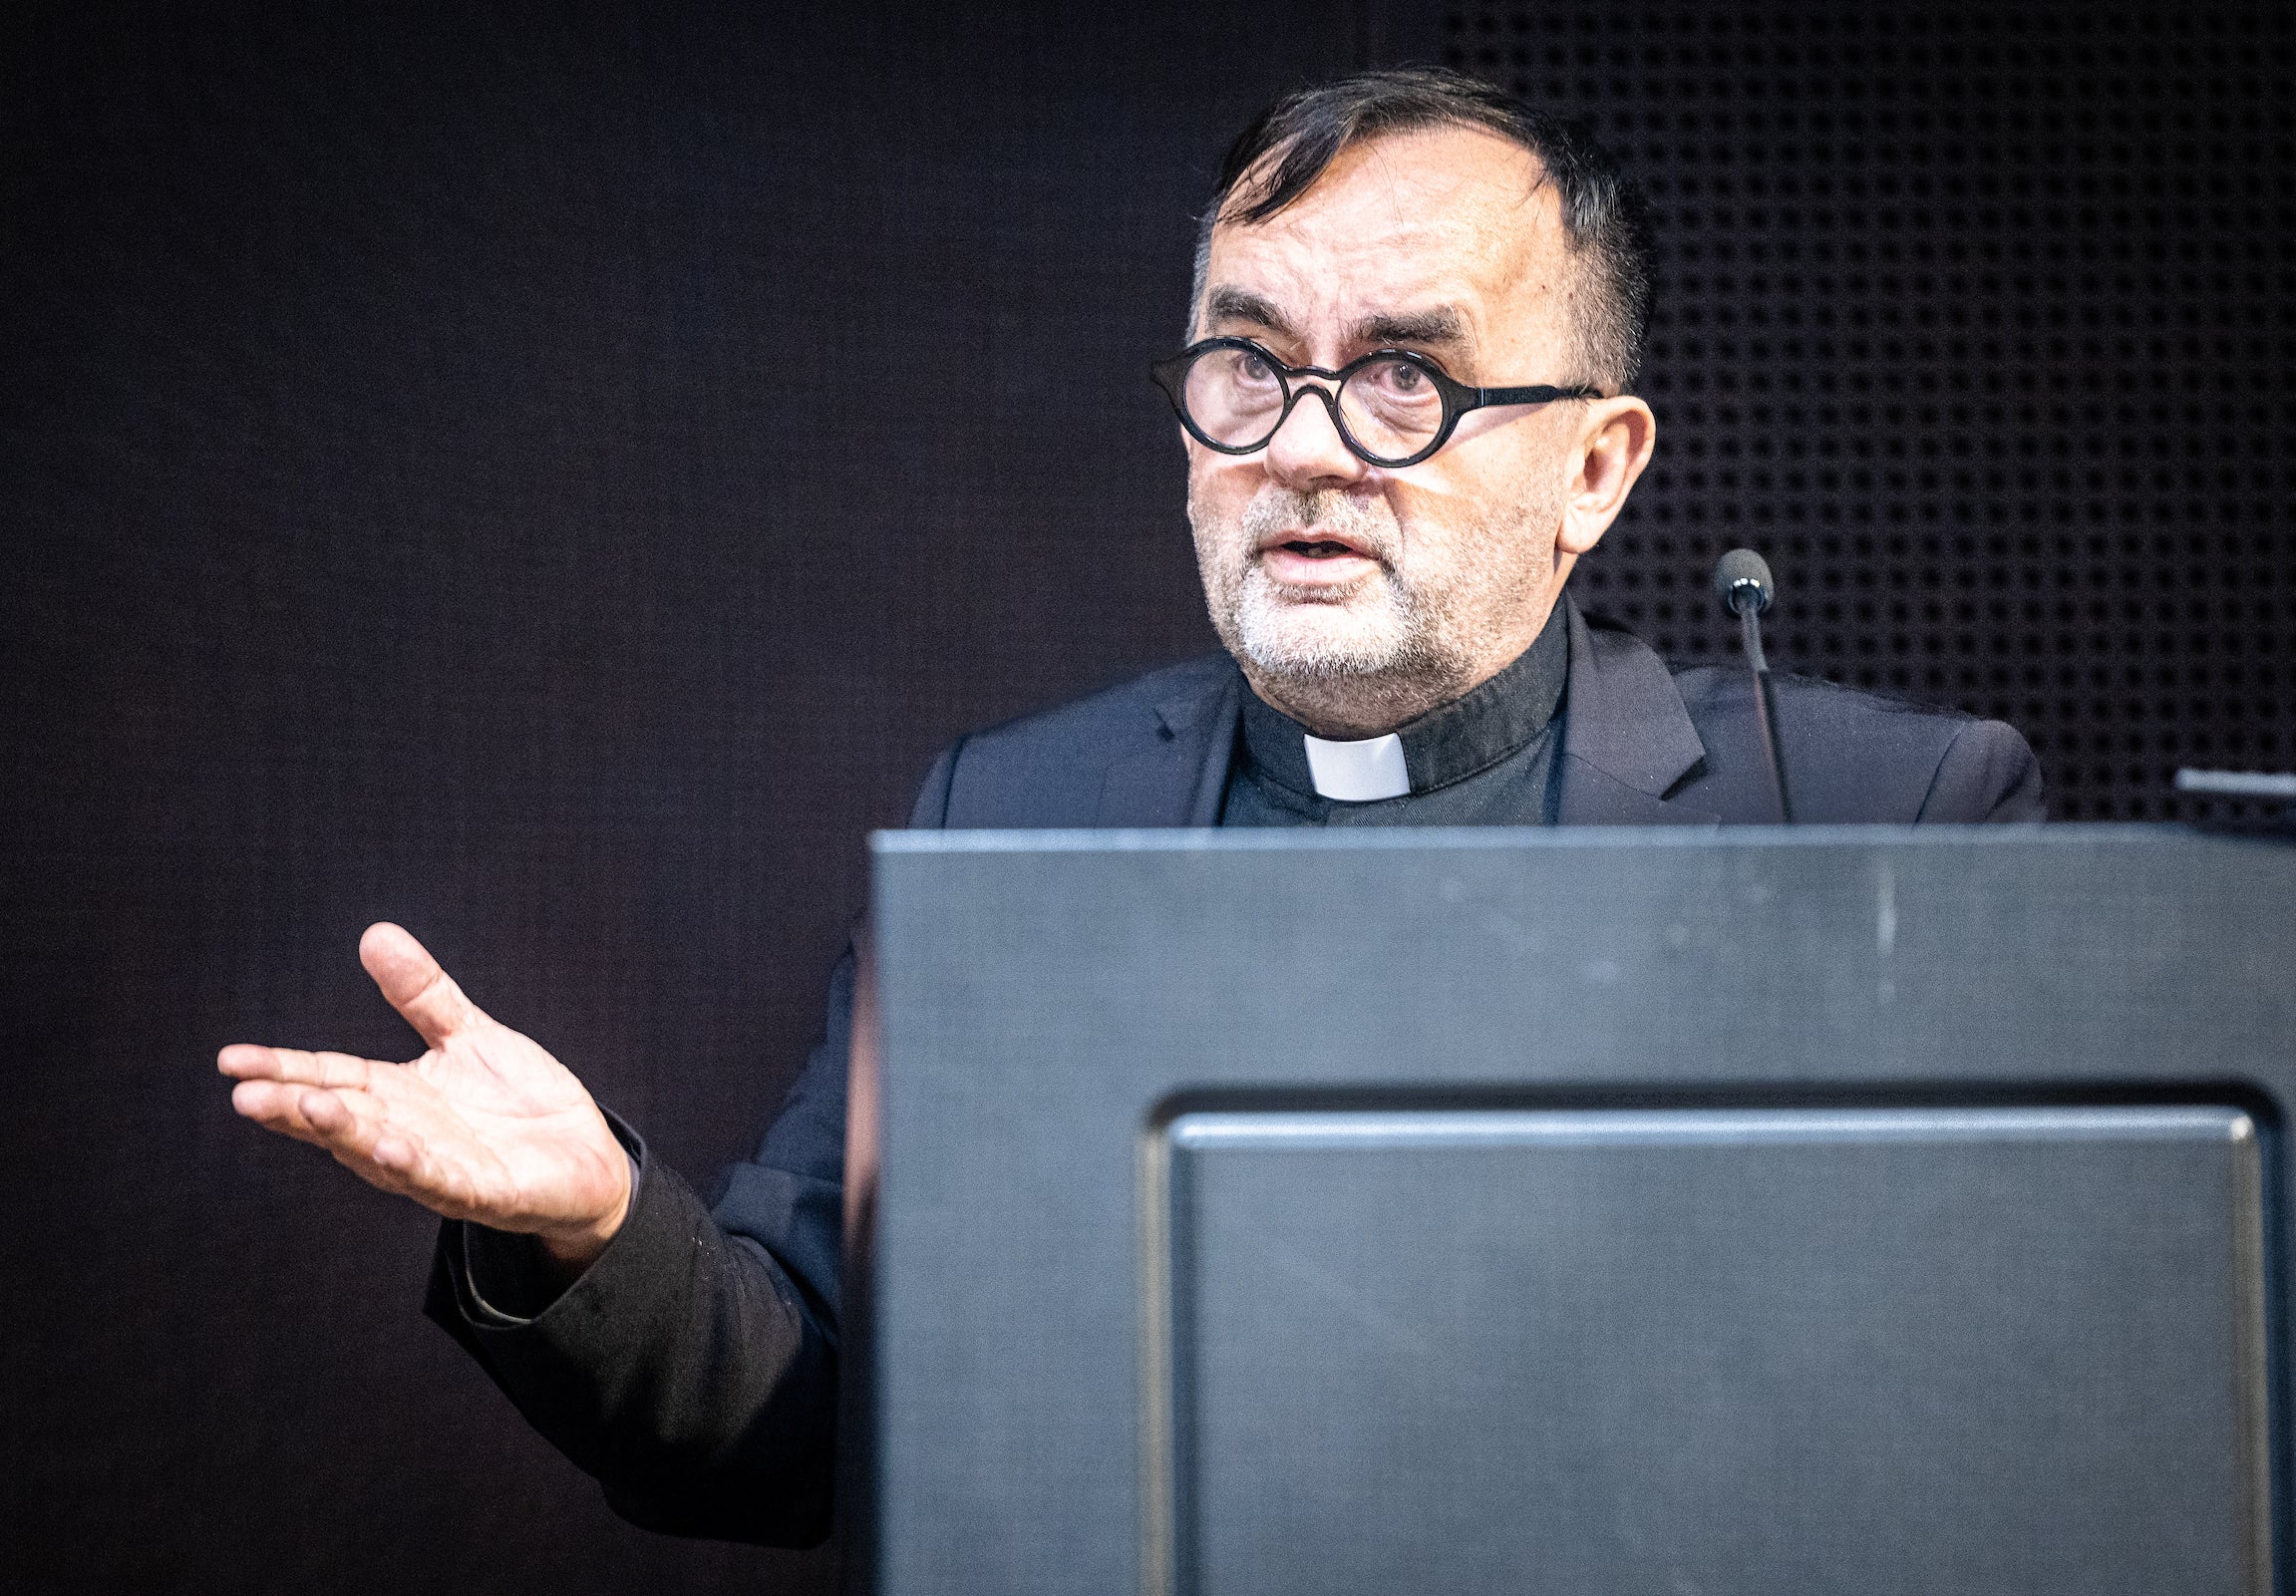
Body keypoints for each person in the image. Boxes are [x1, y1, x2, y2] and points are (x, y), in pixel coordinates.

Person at [218, 69, 2041, 1547]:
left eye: (1407, 371)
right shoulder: (1008, 813)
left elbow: (2015, 1424)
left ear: (1593, 465)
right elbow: (810, 1416)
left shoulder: (1881, 817)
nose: (1306, 441)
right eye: (1248, 362)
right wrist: (599, 1224)